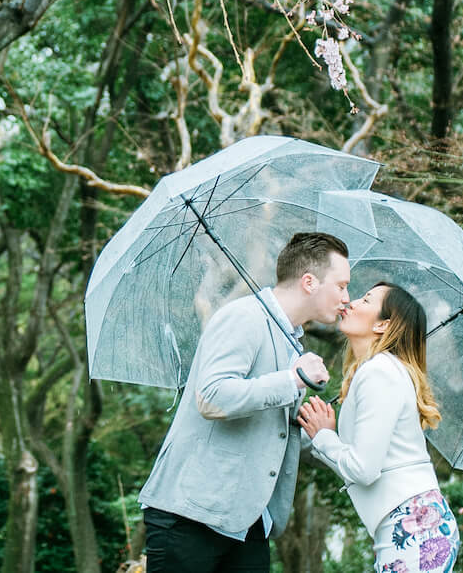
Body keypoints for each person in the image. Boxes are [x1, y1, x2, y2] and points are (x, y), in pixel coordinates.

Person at [139, 231, 353, 572]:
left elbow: (266, 427)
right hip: (192, 517)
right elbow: (211, 397)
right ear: (310, 282)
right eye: (341, 285)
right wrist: (292, 380)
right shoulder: (244, 317)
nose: (346, 297)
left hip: (249, 524)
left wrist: (320, 432)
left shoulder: (291, 342)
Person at [298, 283, 460, 573]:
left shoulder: (380, 372)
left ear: (384, 324)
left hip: (415, 528)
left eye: (366, 299)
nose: (352, 301)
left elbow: (363, 469)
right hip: (410, 526)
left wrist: (324, 437)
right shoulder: (376, 370)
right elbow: (365, 467)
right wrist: (322, 435)